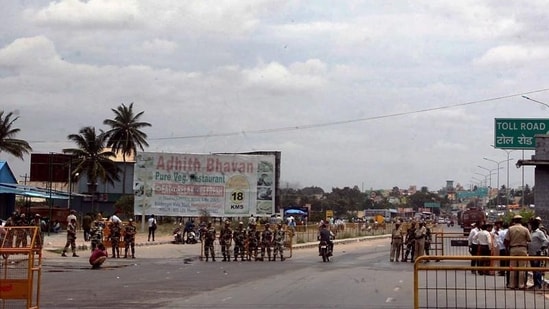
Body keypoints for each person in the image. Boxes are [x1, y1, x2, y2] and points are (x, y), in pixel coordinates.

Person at [504, 214, 531, 289]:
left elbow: (506, 240)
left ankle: (512, 284)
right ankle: (521, 285)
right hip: (522, 249)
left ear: (514, 221)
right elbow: (529, 239)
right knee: (522, 268)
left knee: (512, 268)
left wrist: (507, 249)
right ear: (521, 220)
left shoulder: (510, 229)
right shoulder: (525, 229)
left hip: (513, 249)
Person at [528, 218, 548, 289]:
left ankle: (538, 284)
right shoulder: (531, 232)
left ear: (534, 225)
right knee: (534, 270)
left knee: (537, 269)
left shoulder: (539, 232)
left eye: (531, 224)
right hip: (531, 253)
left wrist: (541, 248)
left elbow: (546, 241)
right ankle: (535, 283)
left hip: (537, 254)